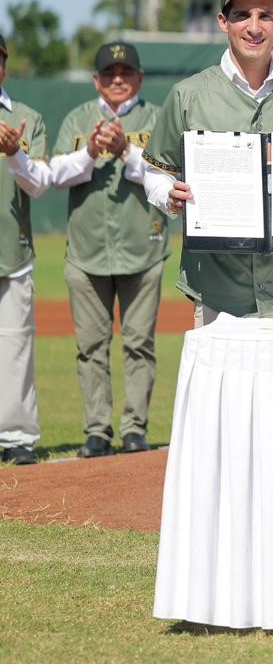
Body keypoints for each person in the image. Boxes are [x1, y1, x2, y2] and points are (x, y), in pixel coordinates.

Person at [143, 0, 273, 325]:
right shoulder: (188, 95)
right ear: (222, 22)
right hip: (218, 290)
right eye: (242, 15)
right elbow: (155, 171)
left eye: (265, 16)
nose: (254, 27)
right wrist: (169, 197)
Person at [47, 42, 168, 456]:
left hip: (143, 248)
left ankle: (134, 429)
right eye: (110, 72)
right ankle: (97, 430)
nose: (118, 78)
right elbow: (55, 175)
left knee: (140, 344)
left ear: (139, 77)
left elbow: (166, 175)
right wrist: (91, 151)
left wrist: (126, 151)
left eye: (126, 71)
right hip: (86, 252)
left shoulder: (155, 118)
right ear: (97, 80)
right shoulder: (79, 119)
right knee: (90, 347)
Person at [0, 33, 49, 465]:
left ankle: (16, 436)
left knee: (15, 345)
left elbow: (36, 186)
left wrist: (16, 153)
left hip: (12, 251)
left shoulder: (27, 118)